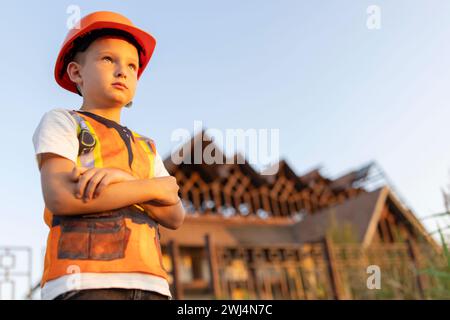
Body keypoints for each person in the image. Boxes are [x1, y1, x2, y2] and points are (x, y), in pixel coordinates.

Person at [32, 11, 185, 300]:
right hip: (83, 281)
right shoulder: (64, 121)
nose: (122, 71)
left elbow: (176, 214)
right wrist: (152, 189)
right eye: (107, 59)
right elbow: (60, 196)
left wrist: (122, 180)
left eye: (132, 65)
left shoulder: (145, 145)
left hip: (152, 283)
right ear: (76, 72)